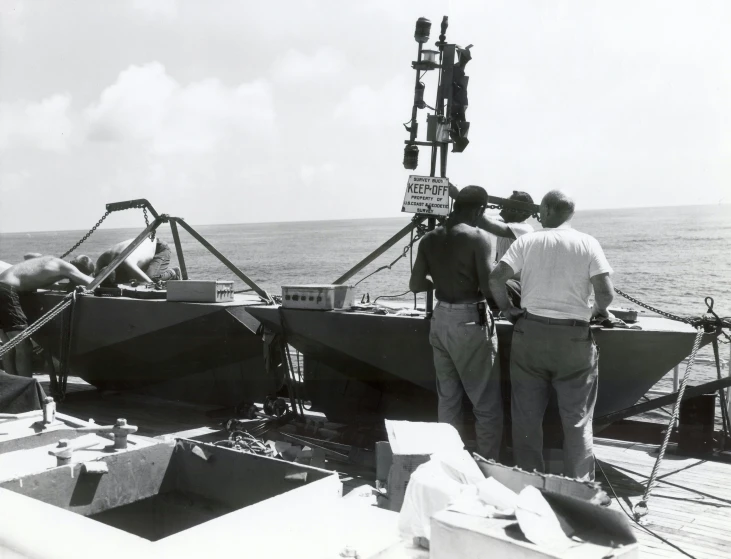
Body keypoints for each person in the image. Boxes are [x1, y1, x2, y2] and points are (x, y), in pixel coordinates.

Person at [488, 190, 614, 481]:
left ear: (546, 209)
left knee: (527, 418)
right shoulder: (588, 242)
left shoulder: (528, 240)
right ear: (569, 213)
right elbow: (605, 293)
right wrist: (595, 311)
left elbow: (496, 278)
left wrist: (507, 309)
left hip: (530, 334)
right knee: (577, 420)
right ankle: (580, 489)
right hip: (573, 339)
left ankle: (530, 485)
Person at [409, 186, 502, 460]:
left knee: (448, 401)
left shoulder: (428, 239)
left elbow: (415, 284)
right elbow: (488, 286)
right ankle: (489, 466)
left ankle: (447, 463)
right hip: (469, 321)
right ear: (479, 210)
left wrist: (441, 282)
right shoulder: (478, 237)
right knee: (485, 403)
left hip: (441, 320)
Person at [0, 256, 95, 377]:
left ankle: (13, 385)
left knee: (9, 346)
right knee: (23, 346)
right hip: (6, 292)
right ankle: (26, 390)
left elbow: (34, 276)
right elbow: (91, 282)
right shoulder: (68, 268)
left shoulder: (52, 262)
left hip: (2, 287)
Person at [95, 236, 180, 285]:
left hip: (159, 248)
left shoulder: (126, 262)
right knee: (133, 278)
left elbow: (149, 283)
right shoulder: (100, 262)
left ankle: (173, 273)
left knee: (151, 278)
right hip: (144, 247)